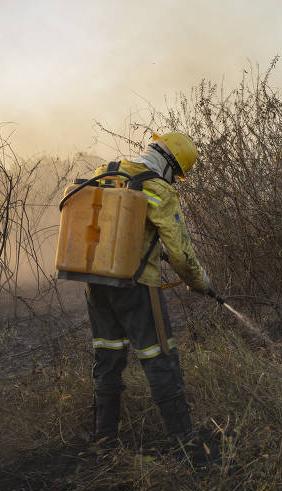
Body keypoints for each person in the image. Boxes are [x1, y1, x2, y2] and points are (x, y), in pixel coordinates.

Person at [85, 132, 210, 454]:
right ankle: (185, 444)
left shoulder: (107, 171)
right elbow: (181, 254)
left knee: (108, 356)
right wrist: (199, 283)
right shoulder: (158, 188)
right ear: (171, 165)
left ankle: (105, 440)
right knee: (160, 358)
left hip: (96, 282)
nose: (177, 182)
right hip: (137, 287)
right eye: (178, 176)